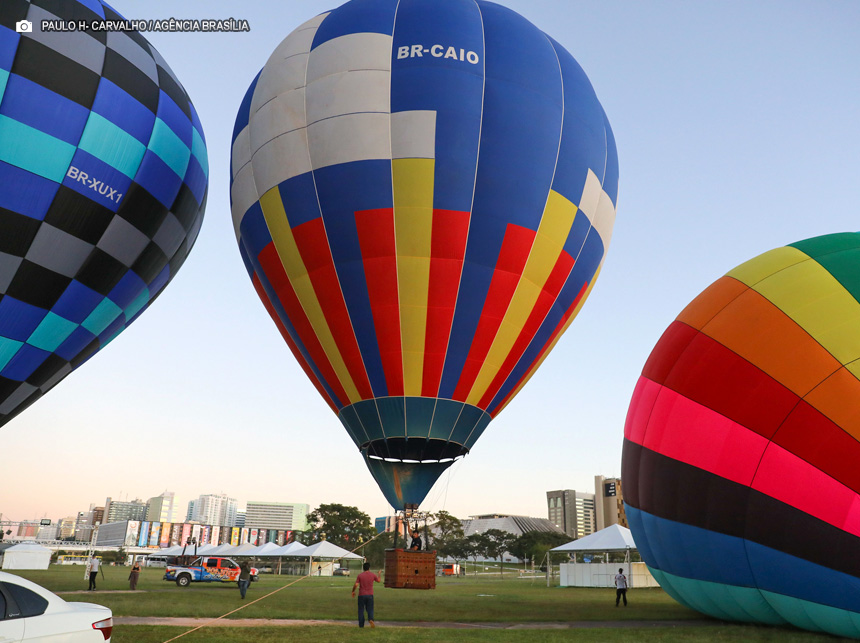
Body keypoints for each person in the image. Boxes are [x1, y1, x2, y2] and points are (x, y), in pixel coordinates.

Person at [351, 562, 381, 628]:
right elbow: (378, 580)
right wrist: (379, 574)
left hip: (361, 595)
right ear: (369, 568)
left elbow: (356, 584)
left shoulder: (360, 575)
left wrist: (353, 591)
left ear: (363, 568)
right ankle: (371, 619)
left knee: (361, 610)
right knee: (370, 609)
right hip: (370, 594)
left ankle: (361, 625)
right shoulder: (372, 575)